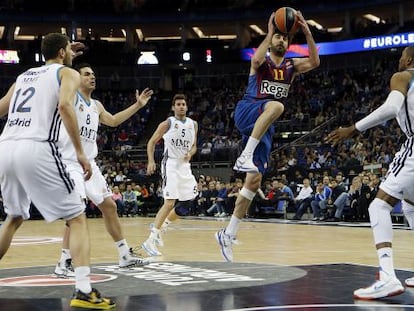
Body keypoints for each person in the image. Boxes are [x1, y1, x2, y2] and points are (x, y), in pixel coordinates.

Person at [0, 33, 113, 309]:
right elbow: (64, 106)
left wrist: (64, 53)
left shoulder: (24, 76)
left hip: (5, 147)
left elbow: (1, 108)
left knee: (13, 218)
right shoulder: (69, 74)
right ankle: (84, 290)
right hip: (37, 147)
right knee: (76, 217)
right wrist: (79, 152)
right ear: (63, 53)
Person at [215, 10, 319, 262]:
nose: (281, 41)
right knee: (277, 106)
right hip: (248, 109)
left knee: (253, 182)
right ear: (272, 39)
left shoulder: (291, 66)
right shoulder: (262, 61)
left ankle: (227, 234)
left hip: (265, 125)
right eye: (278, 37)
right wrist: (270, 31)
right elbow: (255, 60)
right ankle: (245, 154)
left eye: (285, 38)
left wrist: (306, 31)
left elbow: (315, 62)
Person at [325, 46, 414, 300]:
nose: (399, 61)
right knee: (409, 205)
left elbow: (390, 107)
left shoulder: (403, 76)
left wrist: (354, 128)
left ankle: (387, 276)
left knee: (379, 207)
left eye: (400, 58)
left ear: (408, 59)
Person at [54, 63, 153, 276]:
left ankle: (124, 255)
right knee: (76, 211)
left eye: (94, 74)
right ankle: (64, 262)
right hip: (69, 162)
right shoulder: (70, 96)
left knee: (109, 206)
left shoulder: (97, 105)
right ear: (76, 78)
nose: (92, 77)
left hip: (89, 163)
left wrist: (138, 105)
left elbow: (115, 121)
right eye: (87, 74)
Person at [140, 93, 198, 256]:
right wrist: (151, 161)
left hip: (185, 165)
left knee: (186, 204)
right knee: (170, 202)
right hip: (171, 164)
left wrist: (191, 153)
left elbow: (194, 146)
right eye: (178, 104)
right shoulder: (168, 123)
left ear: (187, 107)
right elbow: (151, 142)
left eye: (183, 104)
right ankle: (149, 241)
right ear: (173, 107)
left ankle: (162, 225)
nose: (181, 106)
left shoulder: (194, 124)